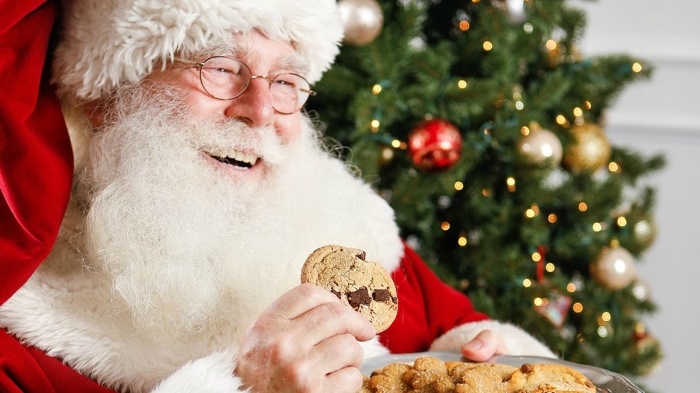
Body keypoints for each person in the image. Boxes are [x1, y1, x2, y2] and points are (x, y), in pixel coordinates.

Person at [0, 0, 556, 392]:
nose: (262, 112)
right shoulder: (21, 312)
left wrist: (489, 362)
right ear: (106, 96)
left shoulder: (348, 228)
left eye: (287, 82)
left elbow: (460, 333)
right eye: (220, 69)